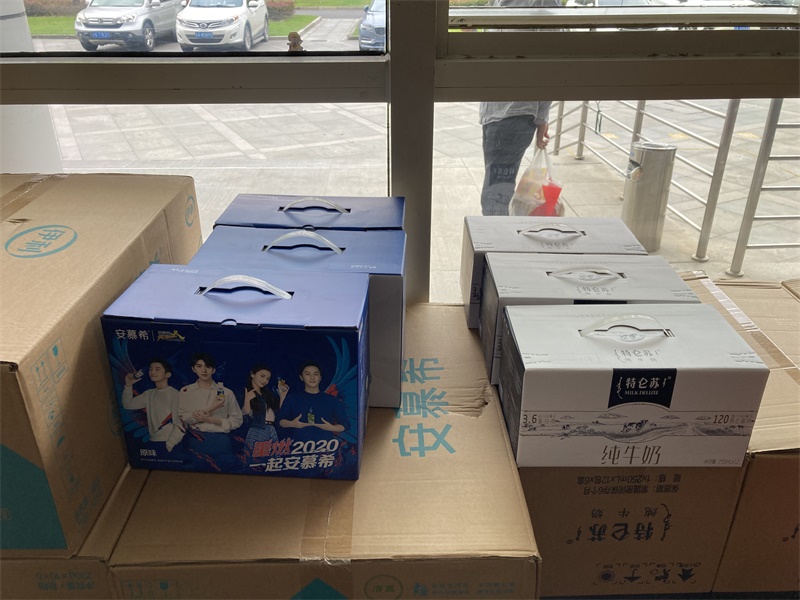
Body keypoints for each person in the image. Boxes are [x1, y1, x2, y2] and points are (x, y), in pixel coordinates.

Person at [479, 0, 558, 216]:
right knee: (494, 189)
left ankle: (496, 236)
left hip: (515, 114)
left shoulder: (540, 2)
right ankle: (497, 233)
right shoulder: (498, 2)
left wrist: (541, 119)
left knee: (495, 194)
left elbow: (551, 62)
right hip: (494, 114)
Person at [179, 352, 243, 470]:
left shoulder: (226, 392)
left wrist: (213, 420)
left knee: (225, 474)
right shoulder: (186, 391)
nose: (204, 370)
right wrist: (210, 409)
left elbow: (237, 420)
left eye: (208, 366)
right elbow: (183, 418)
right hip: (197, 439)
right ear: (193, 369)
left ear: (213, 370)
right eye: (199, 366)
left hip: (221, 440)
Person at [121, 358, 184, 453]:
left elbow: (180, 423)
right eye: (151, 369)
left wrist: (170, 444)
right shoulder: (149, 394)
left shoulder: (175, 394)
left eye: (157, 369)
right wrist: (128, 386)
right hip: (153, 441)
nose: (153, 372)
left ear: (167, 374)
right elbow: (128, 405)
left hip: (170, 443)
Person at [278, 361, 348, 442]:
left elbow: (346, 424)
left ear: (320, 378)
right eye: (307, 374)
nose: (312, 377)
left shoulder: (332, 400)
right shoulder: (292, 398)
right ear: (301, 377)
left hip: (325, 446)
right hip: (298, 446)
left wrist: (332, 428)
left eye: (315, 374)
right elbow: (280, 421)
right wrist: (292, 424)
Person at [241, 363, 289, 452]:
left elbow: (280, 412)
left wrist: (283, 394)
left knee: (272, 457)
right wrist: (247, 400)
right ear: (252, 374)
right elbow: (244, 412)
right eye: (262, 376)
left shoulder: (268, 394)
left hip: (272, 428)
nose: (264, 380)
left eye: (267, 378)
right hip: (257, 429)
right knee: (256, 457)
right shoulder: (244, 392)